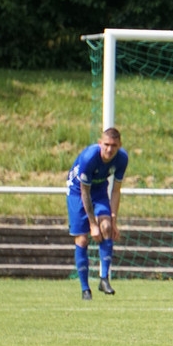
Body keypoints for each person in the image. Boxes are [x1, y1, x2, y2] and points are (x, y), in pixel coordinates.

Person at [66, 128, 128, 300]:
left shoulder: (122, 158)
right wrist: (93, 225)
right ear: (100, 143)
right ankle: (85, 289)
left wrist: (114, 220)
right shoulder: (89, 158)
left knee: (107, 227)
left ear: (119, 145)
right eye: (106, 145)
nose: (109, 149)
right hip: (78, 192)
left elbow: (116, 190)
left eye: (113, 146)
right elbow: (84, 192)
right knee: (83, 239)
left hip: (99, 190)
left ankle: (104, 279)